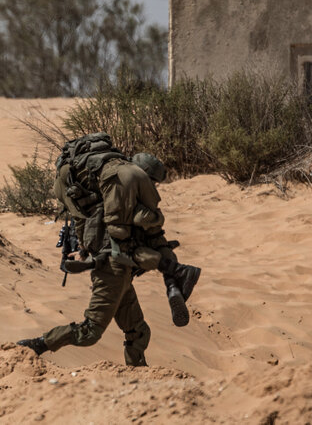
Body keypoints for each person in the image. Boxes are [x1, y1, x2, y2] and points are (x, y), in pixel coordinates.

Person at [17, 133, 200, 365]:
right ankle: (37, 345)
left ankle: (138, 372)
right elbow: (127, 236)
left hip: (120, 272)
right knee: (89, 332)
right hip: (112, 270)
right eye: (150, 181)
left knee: (138, 331)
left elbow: (88, 224)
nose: (150, 186)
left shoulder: (108, 198)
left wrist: (84, 249)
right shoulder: (123, 203)